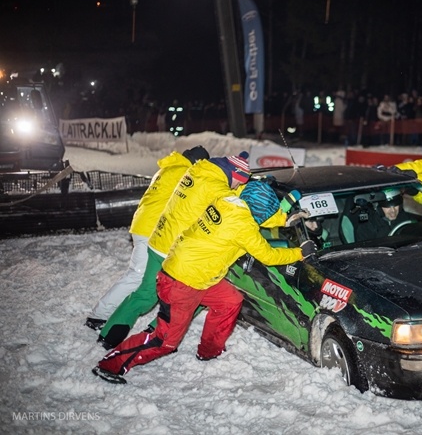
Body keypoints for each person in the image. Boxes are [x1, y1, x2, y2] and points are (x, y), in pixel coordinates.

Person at [92, 181, 317, 384]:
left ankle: (209, 351)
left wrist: (283, 217)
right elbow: (268, 255)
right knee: (164, 341)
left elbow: (256, 211)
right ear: (257, 212)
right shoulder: (243, 226)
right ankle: (109, 365)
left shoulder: (228, 199)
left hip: (198, 274)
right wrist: (299, 253)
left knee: (230, 301)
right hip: (182, 282)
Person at [97, 151, 262, 349]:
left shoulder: (198, 171)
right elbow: (236, 205)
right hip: (174, 252)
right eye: (239, 182)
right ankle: (158, 337)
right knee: (192, 297)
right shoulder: (215, 186)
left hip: (159, 241)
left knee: (146, 294)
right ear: (234, 174)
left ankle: (109, 335)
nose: (238, 186)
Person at [85, 145, 210, 331]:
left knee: (156, 275)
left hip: (146, 225)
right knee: (137, 276)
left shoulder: (170, 168)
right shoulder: (185, 173)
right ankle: (99, 316)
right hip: (152, 229)